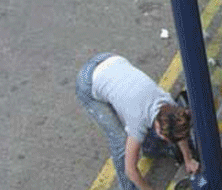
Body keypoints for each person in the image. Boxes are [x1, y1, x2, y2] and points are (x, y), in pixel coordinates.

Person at [77, 53, 200, 190]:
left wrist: (188, 160)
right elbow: (131, 170)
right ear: (159, 129)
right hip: (88, 81)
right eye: (165, 137)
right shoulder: (138, 123)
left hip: (109, 61)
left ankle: (148, 147)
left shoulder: (169, 104)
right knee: (121, 144)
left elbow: (179, 130)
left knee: (136, 132)